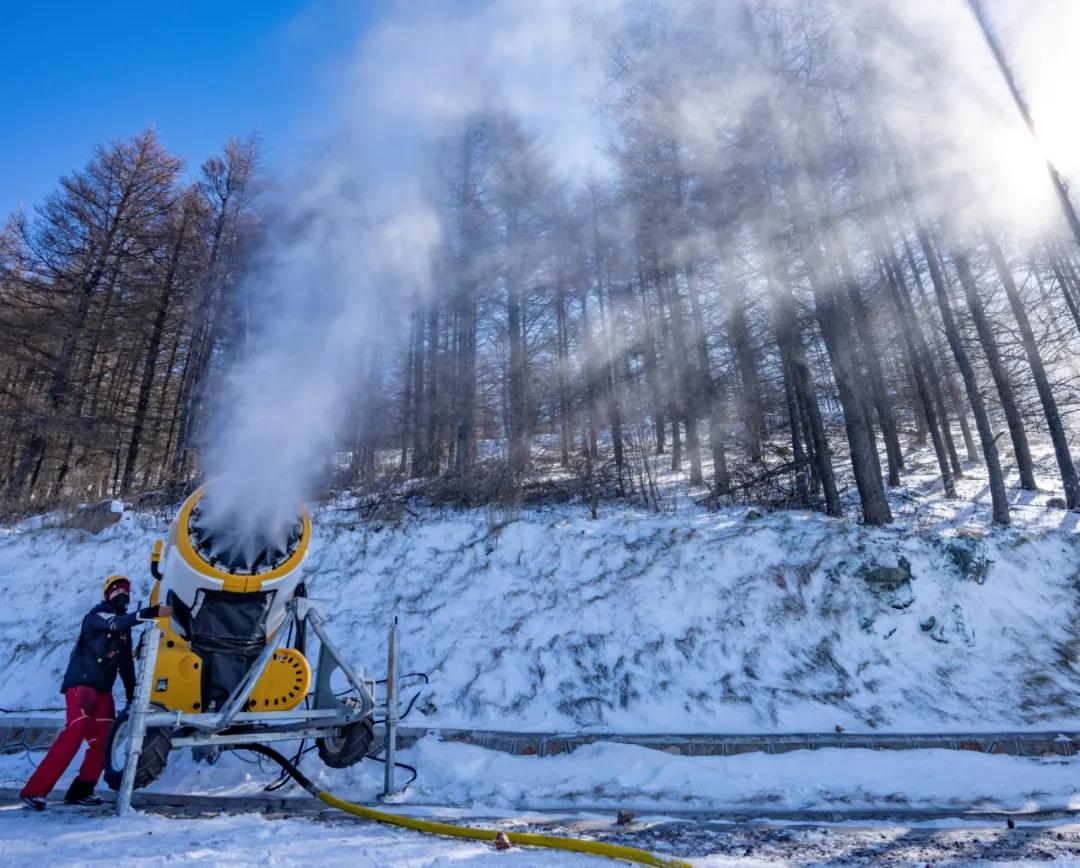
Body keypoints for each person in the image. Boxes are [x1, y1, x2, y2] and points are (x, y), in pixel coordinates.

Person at [19, 574, 171, 810]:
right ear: (107, 594)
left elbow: (126, 666)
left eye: (127, 592)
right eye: (117, 590)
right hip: (82, 685)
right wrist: (151, 612)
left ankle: (82, 790)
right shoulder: (96, 616)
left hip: (103, 691)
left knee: (104, 740)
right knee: (75, 731)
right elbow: (113, 623)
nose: (123, 595)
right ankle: (35, 790)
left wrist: (132, 698)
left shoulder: (124, 630)